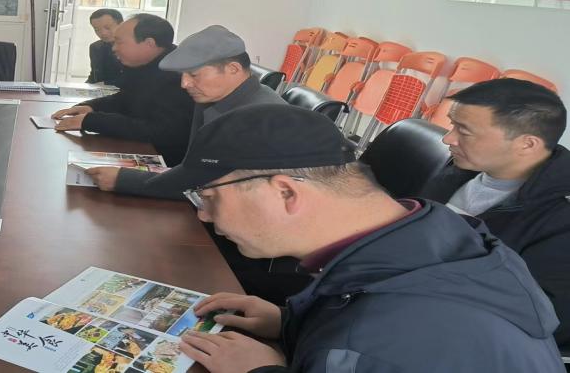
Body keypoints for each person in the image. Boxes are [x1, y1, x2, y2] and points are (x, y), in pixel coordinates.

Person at [177, 104, 563, 373]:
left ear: (285, 192)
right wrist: (289, 322)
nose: (203, 214)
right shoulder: (441, 232)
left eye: (208, 197)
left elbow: (381, 344)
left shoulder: (371, 342)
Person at [421, 78, 570, 351]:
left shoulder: (560, 220)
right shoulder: (460, 170)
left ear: (527, 144)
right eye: (452, 125)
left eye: (464, 131)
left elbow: (543, 320)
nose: (447, 138)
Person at [82, 25, 284, 197]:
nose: (184, 84)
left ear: (233, 69)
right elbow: (194, 168)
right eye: (183, 75)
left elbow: (215, 187)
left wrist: (125, 180)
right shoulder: (213, 96)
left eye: (194, 75)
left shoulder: (260, 118)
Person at [50, 14, 193, 165]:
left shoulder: (178, 76)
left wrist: (92, 121)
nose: (114, 48)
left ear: (149, 43)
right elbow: (126, 98)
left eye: (119, 42)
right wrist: (91, 107)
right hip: (138, 147)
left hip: (166, 161)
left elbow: (160, 131)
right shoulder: (144, 64)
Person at [85, 8, 124, 85]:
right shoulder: (96, 47)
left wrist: (105, 84)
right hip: (101, 89)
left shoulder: (135, 47)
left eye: (107, 28)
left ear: (122, 25)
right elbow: (94, 77)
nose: (103, 33)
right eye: (97, 29)